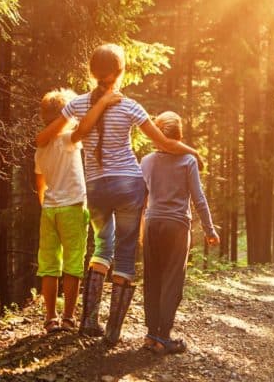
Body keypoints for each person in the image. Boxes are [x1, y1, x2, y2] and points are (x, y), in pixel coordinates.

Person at [36, 44, 203, 344]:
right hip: (128, 185)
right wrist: (193, 152)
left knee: (102, 247)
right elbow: (164, 143)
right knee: (125, 257)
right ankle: (112, 331)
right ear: (120, 72)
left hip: (97, 188)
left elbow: (54, 136)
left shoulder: (77, 105)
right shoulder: (130, 106)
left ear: (91, 72)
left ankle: (88, 321)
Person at [34, 87, 120, 333]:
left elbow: (39, 183)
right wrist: (102, 102)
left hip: (49, 210)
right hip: (72, 206)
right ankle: (69, 317)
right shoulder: (67, 139)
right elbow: (84, 129)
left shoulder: (41, 147)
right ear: (65, 116)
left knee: (49, 265)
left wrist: (47, 205)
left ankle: (50, 318)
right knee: (73, 263)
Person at [140, 111, 219, 354]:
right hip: (176, 227)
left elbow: (140, 198)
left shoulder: (147, 161)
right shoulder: (188, 161)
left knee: (152, 279)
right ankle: (164, 337)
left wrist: (137, 228)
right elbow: (199, 198)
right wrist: (210, 229)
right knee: (172, 281)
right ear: (179, 136)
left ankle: (151, 335)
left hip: (152, 223)